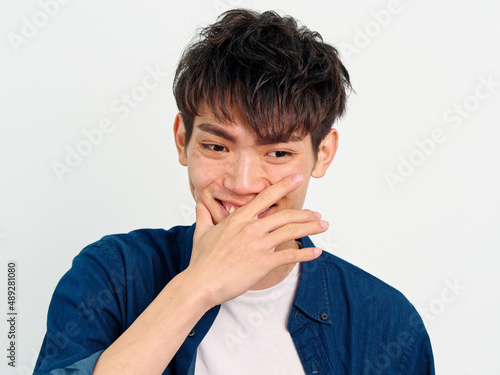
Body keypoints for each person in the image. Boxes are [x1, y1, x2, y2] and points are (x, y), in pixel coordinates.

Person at [34, 9, 434, 375]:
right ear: (182, 141)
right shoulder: (111, 273)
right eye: (216, 147)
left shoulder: (385, 321)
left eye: (277, 152)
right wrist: (198, 287)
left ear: (322, 153)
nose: (242, 184)